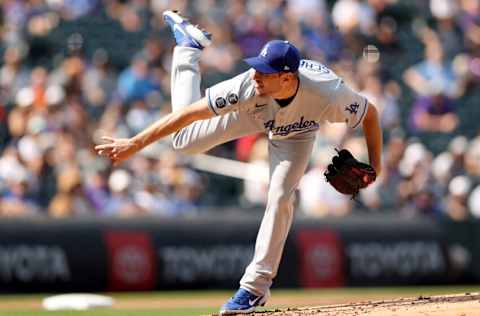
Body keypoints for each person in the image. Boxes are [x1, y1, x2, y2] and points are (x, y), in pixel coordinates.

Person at [95, 10, 383, 315]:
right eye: (256, 68)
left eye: (264, 72)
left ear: (287, 77)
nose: (256, 75)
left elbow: (371, 114)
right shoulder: (248, 86)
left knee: (281, 195)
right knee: (184, 140)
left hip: (297, 132)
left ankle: (253, 290)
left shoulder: (329, 93)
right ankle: (187, 50)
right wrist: (136, 143)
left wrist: (375, 166)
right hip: (253, 112)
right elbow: (187, 115)